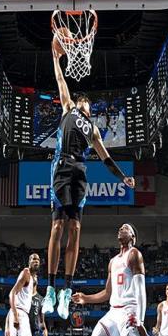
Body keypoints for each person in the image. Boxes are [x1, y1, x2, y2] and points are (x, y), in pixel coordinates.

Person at [42, 38, 135, 319]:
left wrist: (123, 178)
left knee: (76, 228)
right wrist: (55, 57)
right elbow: (60, 79)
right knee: (57, 225)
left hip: (80, 172)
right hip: (61, 166)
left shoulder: (93, 130)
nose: (84, 101)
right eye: (83, 99)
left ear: (90, 108)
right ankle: (50, 288)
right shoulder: (68, 107)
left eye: (87, 101)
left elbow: (106, 158)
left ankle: (66, 290)